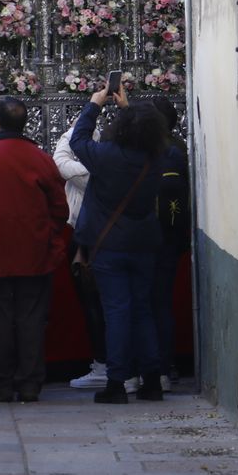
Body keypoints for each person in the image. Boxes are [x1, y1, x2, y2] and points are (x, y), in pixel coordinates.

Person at [0, 96, 69, 403]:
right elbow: (60, 207)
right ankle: (30, 384)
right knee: (31, 320)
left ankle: (2, 386)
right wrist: (47, 237)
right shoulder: (40, 158)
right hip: (34, 253)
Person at [68, 85, 167, 404]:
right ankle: (152, 379)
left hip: (109, 244)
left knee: (117, 311)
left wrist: (93, 105)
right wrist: (129, 108)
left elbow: (78, 141)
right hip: (144, 242)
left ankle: (117, 381)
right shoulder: (156, 157)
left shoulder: (107, 157)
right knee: (142, 309)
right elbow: (142, 131)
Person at [53, 119, 121, 392]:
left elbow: (60, 160)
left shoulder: (92, 173)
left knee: (96, 302)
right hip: (113, 235)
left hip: (92, 238)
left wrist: (84, 124)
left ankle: (105, 364)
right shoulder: (125, 163)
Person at [148, 96, 191, 391]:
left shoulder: (154, 151)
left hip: (150, 238)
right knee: (161, 303)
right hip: (171, 238)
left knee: (147, 304)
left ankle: (153, 367)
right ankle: (165, 366)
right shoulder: (180, 148)